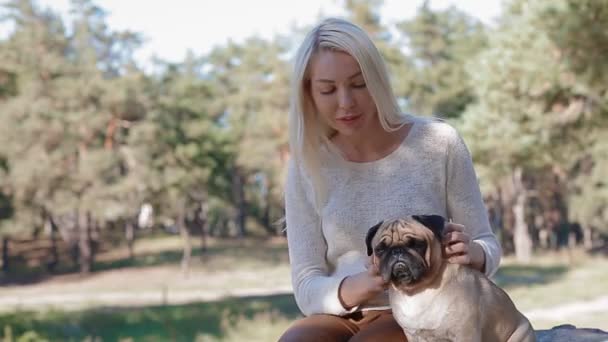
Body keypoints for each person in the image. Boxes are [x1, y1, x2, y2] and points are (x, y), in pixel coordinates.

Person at [279, 17, 501, 341]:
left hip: (428, 306)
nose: (346, 102)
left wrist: (475, 253)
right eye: (328, 89)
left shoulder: (439, 142)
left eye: (359, 84)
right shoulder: (306, 165)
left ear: (378, 80)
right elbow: (306, 283)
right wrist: (359, 287)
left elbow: (486, 242)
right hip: (343, 314)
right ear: (308, 94)